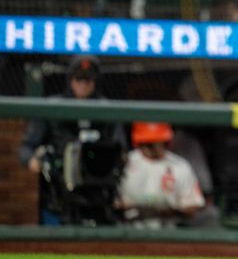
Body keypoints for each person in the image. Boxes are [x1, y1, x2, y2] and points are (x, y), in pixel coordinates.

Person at [18, 55, 126, 224]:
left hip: (97, 185)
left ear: (96, 81)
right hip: (60, 187)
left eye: (88, 79)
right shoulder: (53, 107)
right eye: (79, 78)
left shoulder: (107, 109)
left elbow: (121, 148)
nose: (83, 83)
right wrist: (33, 160)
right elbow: (26, 148)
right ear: (70, 80)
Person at [116, 122, 206, 229]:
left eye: (157, 141)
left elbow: (192, 208)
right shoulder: (125, 163)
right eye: (148, 143)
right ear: (139, 142)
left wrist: (163, 210)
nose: (154, 147)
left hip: (167, 232)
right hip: (128, 229)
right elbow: (112, 203)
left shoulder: (180, 165)